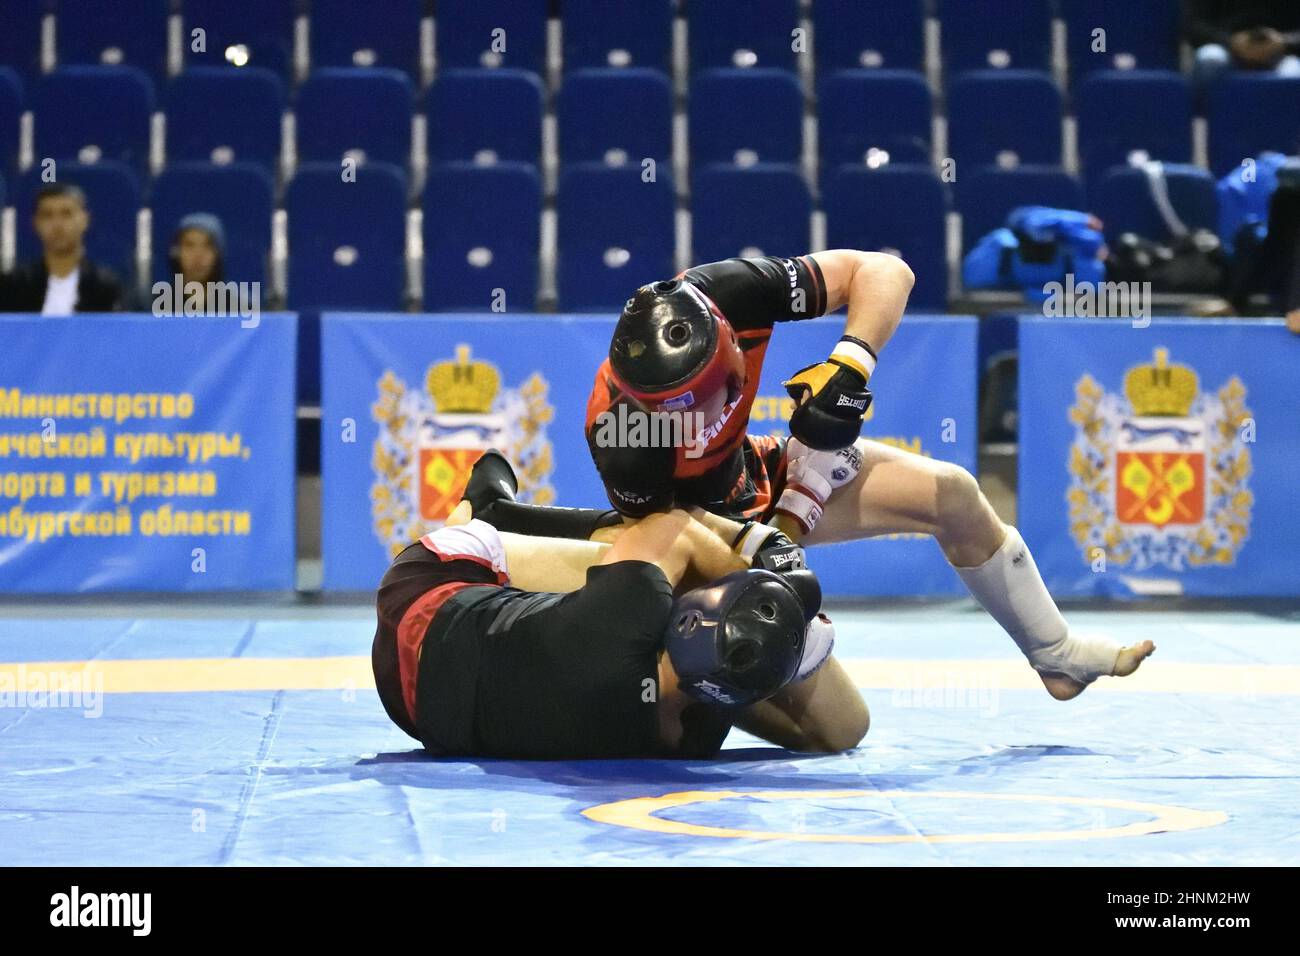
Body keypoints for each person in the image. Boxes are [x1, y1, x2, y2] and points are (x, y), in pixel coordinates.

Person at [584, 252, 1155, 702]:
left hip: (750, 472)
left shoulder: (732, 293)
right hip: (694, 536)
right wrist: (803, 500)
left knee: (953, 493)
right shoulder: (623, 438)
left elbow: (884, 270)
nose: (691, 426)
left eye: (703, 407)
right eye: (671, 418)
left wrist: (851, 363)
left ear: (729, 351)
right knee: (832, 720)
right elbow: (677, 538)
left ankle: (1054, 653)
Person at [371, 453, 866, 760]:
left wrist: (769, 562)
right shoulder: (689, 738)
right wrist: (785, 645)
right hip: (418, 710)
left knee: (641, 542)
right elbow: (846, 727)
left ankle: (487, 511)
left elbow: (671, 527)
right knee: (808, 707)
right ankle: (497, 514)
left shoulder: (622, 616)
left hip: (421, 595)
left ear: (681, 616)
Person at [0, 184, 125, 315]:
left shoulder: (105, 288)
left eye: (66, 214)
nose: (57, 224)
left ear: (85, 220)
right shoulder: (14, 285)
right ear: (36, 223)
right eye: (48, 215)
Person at [1184, 0, 1300, 87]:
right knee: (1210, 60)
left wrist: (1284, 41)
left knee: (1293, 74)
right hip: (1225, 46)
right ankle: (1199, 117)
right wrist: (1231, 42)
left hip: (1281, 50)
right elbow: (1193, 24)